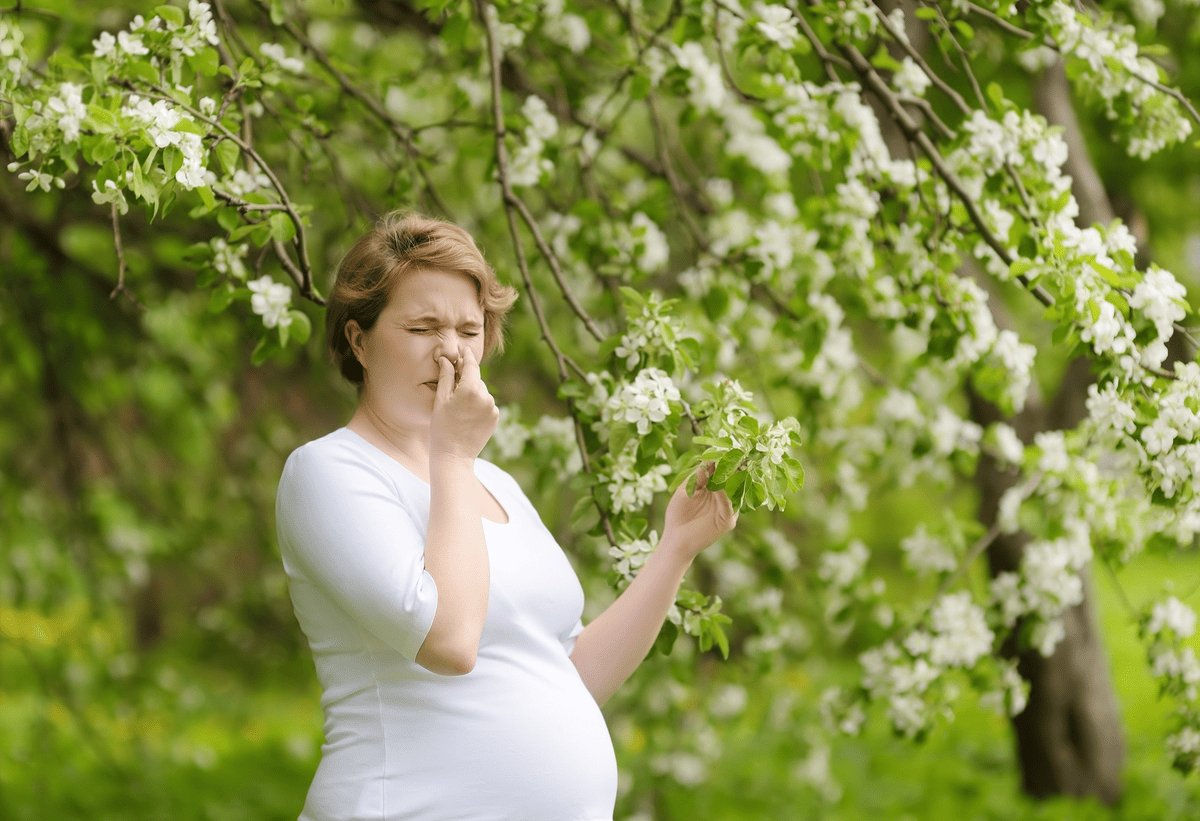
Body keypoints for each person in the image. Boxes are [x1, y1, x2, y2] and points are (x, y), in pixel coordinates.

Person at [274, 210, 739, 820]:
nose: (450, 355)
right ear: (360, 342)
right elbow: (448, 641)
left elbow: (564, 676)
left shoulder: (491, 482)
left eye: (469, 331)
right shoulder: (330, 473)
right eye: (421, 328)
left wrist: (675, 547)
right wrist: (454, 454)